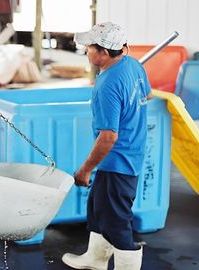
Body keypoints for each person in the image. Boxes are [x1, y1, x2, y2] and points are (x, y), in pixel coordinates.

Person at [61, 22, 152, 270]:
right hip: (130, 152)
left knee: (115, 222)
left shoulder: (107, 84)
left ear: (103, 51)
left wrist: (85, 169)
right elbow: (147, 96)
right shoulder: (133, 64)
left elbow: (109, 136)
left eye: (89, 47)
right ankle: (96, 259)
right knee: (98, 208)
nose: (86, 51)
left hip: (118, 159)